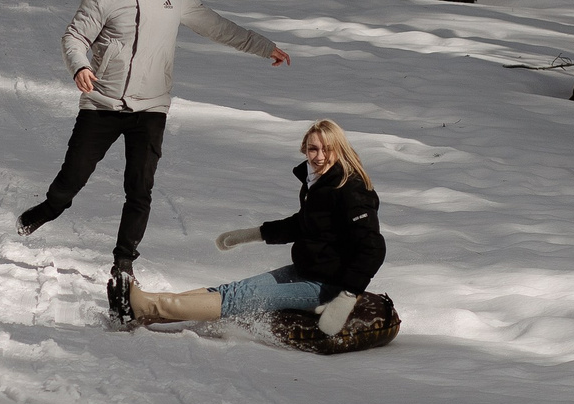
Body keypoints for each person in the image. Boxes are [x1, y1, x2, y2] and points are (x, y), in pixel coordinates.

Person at [18, 0, 291, 304]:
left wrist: (264, 47)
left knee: (139, 189)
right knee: (71, 180)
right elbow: (75, 36)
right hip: (102, 103)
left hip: (151, 108)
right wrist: (80, 66)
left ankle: (124, 262)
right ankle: (49, 208)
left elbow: (217, 27)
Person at [127, 119, 386, 337]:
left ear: (339, 149)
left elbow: (372, 248)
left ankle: (149, 306)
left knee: (240, 298)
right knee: (232, 290)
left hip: (328, 285)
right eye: (312, 149)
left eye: (326, 150)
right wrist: (253, 234)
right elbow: (304, 224)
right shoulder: (318, 181)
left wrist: (347, 295)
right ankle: (150, 307)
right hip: (307, 270)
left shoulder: (350, 189)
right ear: (304, 149)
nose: (319, 156)